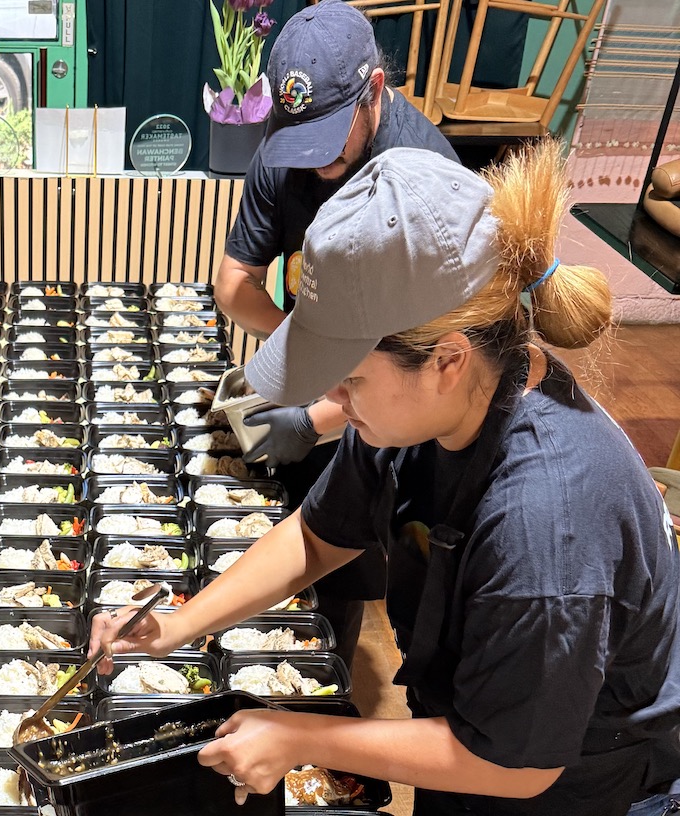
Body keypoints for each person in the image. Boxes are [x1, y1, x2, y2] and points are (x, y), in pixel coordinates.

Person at [92, 143, 680, 815]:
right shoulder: (418, 413)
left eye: (351, 376)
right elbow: (318, 536)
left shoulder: (546, 521)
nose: (333, 398)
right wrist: (176, 625)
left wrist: (299, 735)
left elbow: (516, 765)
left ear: (447, 361)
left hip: (576, 787)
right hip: (467, 737)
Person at [213, 0, 461, 670]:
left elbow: (417, 374)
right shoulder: (285, 150)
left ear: (373, 90)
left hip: (400, 411)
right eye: (297, 137)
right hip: (343, 381)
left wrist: (318, 414)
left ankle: (330, 686)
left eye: (327, 136)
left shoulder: (420, 179)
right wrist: (306, 346)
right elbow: (233, 285)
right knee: (294, 535)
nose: (312, 159)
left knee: (349, 562)